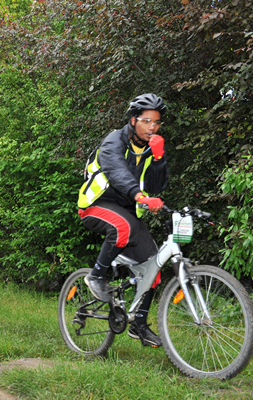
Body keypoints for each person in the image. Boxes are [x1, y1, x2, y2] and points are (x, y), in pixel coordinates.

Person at [77, 93, 168, 348]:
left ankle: (139, 323)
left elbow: (156, 186)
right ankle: (96, 276)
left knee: (153, 267)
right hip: (96, 205)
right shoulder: (114, 140)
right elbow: (116, 171)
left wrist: (159, 159)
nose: (152, 127)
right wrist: (139, 195)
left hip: (127, 210)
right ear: (133, 120)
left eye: (156, 122)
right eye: (147, 121)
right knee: (122, 227)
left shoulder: (150, 149)